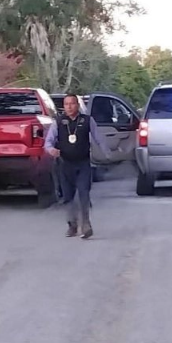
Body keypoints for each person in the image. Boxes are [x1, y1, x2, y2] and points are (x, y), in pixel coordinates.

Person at [44, 94, 116, 239]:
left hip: (83, 163)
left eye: (72, 103)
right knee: (68, 196)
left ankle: (86, 224)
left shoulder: (87, 120)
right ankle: (72, 224)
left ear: (77, 105)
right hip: (65, 164)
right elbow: (48, 142)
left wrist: (107, 153)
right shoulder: (58, 122)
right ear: (63, 107)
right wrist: (51, 150)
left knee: (84, 193)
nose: (69, 107)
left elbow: (98, 138)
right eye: (66, 104)